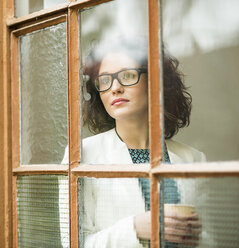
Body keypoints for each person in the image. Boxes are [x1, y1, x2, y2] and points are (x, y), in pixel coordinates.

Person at [61, 37, 205, 248]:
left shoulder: (194, 158)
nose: (115, 88)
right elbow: (72, 243)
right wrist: (134, 228)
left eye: (127, 75)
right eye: (104, 80)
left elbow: (211, 236)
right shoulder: (83, 154)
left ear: (155, 81)